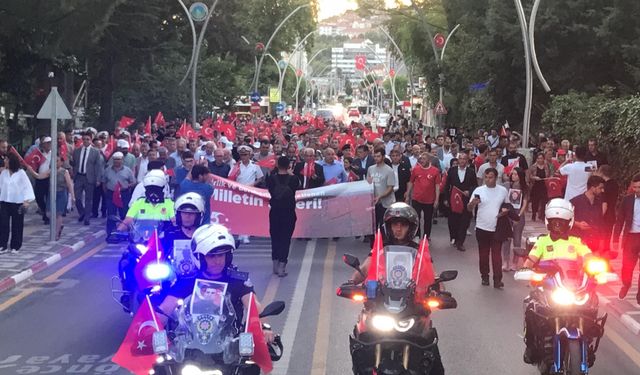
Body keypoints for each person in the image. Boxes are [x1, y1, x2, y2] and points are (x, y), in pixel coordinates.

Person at [350, 203, 445, 375]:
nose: (398, 228)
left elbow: (433, 276)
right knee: (361, 338)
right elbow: (363, 270)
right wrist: (351, 284)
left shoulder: (419, 252)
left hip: (412, 308)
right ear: (388, 226)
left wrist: (439, 292)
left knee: (433, 357)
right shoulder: (379, 251)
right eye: (395, 224)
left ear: (411, 227)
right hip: (382, 304)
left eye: (403, 224)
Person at [157, 224, 276, 346]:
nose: (217, 261)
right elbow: (165, 309)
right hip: (190, 345)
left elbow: (253, 305)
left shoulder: (238, 280)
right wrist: (151, 327)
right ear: (200, 257)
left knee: (252, 363)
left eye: (221, 255)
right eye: (211, 256)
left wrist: (265, 327)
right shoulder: (187, 281)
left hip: (231, 345)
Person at [521, 198, 594, 364]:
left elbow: (589, 258)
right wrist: (525, 270)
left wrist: (599, 269)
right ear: (548, 222)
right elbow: (529, 262)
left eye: (561, 222)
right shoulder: (542, 242)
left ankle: (587, 343)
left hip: (574, 288)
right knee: (531, 308)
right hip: (548, 289)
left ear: (569, 223)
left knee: (592, 307)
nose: (558, 226)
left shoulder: (577, 242)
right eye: (554, 222)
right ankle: (531, 346)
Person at [468, 168, 509, 288]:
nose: (487, 180)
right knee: (483, 254)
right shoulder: (479, 190)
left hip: (497, 228)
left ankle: (497, 279)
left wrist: (505, 211)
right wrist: (473, 203)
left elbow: (507, 205)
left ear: (496, 178)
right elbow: (469, 208)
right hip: (482, 227)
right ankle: (484, 276)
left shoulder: (502, 191)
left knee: (496, 255)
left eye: (490, 177)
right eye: (486, 177)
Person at [27, 155, 76, 241]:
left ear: (61, 162)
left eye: (57, 161)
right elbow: (39, 176)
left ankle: (56, 234)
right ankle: (59, 226)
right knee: (49, 213)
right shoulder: (50, 171)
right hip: (52, 194)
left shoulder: (65, 172)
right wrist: (31, 170)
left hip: (61, 193)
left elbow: (69, 185)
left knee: (58, 213)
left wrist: (73, 196)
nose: (56, 162)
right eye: (54, 161)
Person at [267, 156, 300, 277]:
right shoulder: (294, 179)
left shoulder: (271, 179)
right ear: (289, 166)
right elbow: (296, 189)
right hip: (289, 213)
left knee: (275, 238)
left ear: (277, 165)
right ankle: (282, 267)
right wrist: (291, 174)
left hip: (274, 213)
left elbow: (270, 191)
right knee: (285, 240)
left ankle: (274, 265)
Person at [162, 192, 206, 278]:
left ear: (199, 216)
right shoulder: (170, 233)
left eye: (192, 213)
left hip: (198, 276)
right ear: (178, 215)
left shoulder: (204, 235)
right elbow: (158, 252)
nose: (187, 216)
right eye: (184, 213)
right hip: (171, 275)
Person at [613, 173, 640, 304]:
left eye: (639, 187)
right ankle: (626, 284)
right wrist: (615, 239)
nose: (637, 190)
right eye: (635, 187)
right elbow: (619, 221)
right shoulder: (627, 200)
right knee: (627, 266)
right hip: (631, 237)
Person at [0, 153, 35, 253]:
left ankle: (15, 246)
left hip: (17, 202)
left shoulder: (21, 173)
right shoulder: (4, 173)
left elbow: (27, 187)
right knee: (3, 224)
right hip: (4, 202)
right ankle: (2, 245)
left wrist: (26, 201)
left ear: (12, 161)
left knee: (17, 224)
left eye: (7, 160)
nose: (5, 161)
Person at [444, 153, 477, 251]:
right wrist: (446, 199)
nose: (462, 161)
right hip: (453, 199)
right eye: (460, 159)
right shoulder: (452, 171)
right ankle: (454, 237)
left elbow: (475, 186)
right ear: (458, 160)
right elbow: (447, 186)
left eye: (464, 159)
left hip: (465, 200)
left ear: (467, 161)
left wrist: (469, 192)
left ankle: (460, 242)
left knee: (464, 221)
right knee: (453, 220)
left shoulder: (471, 172)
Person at [405, 153, 441, 240]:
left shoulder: (435, 171)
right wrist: (408, 194)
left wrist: (437, 199)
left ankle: (426, 236)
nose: (422, 160)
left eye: (424, 159)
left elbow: (437, 186)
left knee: (428, 219)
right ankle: (417, 236)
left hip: (429, 200)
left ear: (429, 160)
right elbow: (411, 182)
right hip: (416, 198)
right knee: (416, 218)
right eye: (421, 159)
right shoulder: (416, 169)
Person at [570, 175, 605, 256]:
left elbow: (601, 224)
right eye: (600, 188)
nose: (602, 190)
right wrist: (577, 224)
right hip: (579, 242)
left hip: (594, 243)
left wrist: (601, 244)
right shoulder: (575, 202)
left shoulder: (599, 202)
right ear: (592, 188)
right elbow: (564, 220)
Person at [72, 132, 103, 225]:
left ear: (91, 140)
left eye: (88, 139)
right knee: (77, 198)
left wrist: (98, 179)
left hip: (89, 177)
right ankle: (82, 212)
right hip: (79, 176)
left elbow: (98, 166)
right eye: (84, 139)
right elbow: (75, 163)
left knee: (88, 199)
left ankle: (87, 218)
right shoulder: (77, 151)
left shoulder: (95, 152)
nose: (85, 141)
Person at [103, 152, 137, 236]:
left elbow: (133, 182)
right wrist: (106, 192)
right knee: (111, 214)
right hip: (111, 194)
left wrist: (126, 186)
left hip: (123, 194)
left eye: (118, 159)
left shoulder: (127, 170)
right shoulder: (107, 170)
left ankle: (126, 232)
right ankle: (111, 233)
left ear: (122, 160)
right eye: (115, 160)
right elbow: (104, 182)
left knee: (125, 214)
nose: (116, 161)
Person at [502, 167, 529, 271]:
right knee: (506, 239)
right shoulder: (507, 186)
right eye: (512, 174)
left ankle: (515, 262)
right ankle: (505, 261)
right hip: (508, 213)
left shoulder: (524, 187)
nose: (513, 176)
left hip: (518, 214)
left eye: (516, 174)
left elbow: (525, 203)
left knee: (517, 239)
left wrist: (518, 216)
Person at [367, 148, 396, 236]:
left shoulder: (389, 170)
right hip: (373, 202)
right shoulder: (370, 169)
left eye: (378, 156)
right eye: (374, 156)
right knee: (373, 226)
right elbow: (368, 184)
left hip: (386, 202)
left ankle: (384, 245)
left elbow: (390, 187)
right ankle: (373, 246)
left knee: (384, 226)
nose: (376, 158)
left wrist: (380, 196)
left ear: (383, 157)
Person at [527, 152, 551, 221]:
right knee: (535, 201)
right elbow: (529, 176)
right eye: (538, 158)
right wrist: (534, 177)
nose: (540, 160)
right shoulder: (533, 167)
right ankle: (534, 213)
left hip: (544, 185)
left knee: (544, 200)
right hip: (535, 185)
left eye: (541, 158)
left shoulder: (547, 166)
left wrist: (548, 178)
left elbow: (550, 174)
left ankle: (543, 215)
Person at [34, 137, 52, 224]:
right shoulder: (39, 154)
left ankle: (47, 216)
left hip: (49, 179)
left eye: (50, 143)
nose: (49, 145)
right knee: (38, 197)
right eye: (47, 143)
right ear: (43, 144)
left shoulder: (54, 154)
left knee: (48, 197)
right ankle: (44, 210)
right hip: (39, 178)